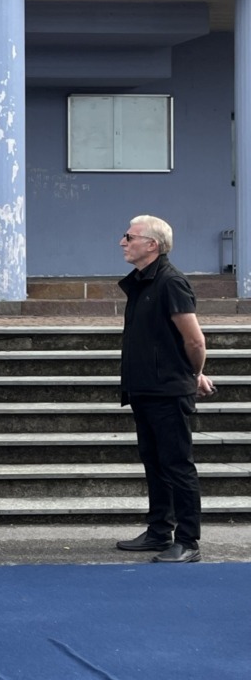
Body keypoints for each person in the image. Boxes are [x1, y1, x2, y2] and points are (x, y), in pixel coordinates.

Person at [115, 215, 214, 564]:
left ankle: (188, 540)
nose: (123, 241)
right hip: (145, 388)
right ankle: (159, 530)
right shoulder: (143, 282)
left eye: (130, 236)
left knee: (177, 465)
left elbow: (194, 339)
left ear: (152, 245)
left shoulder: (171, 282)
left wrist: (194, 374)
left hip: (168, 391)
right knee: (154, 462)